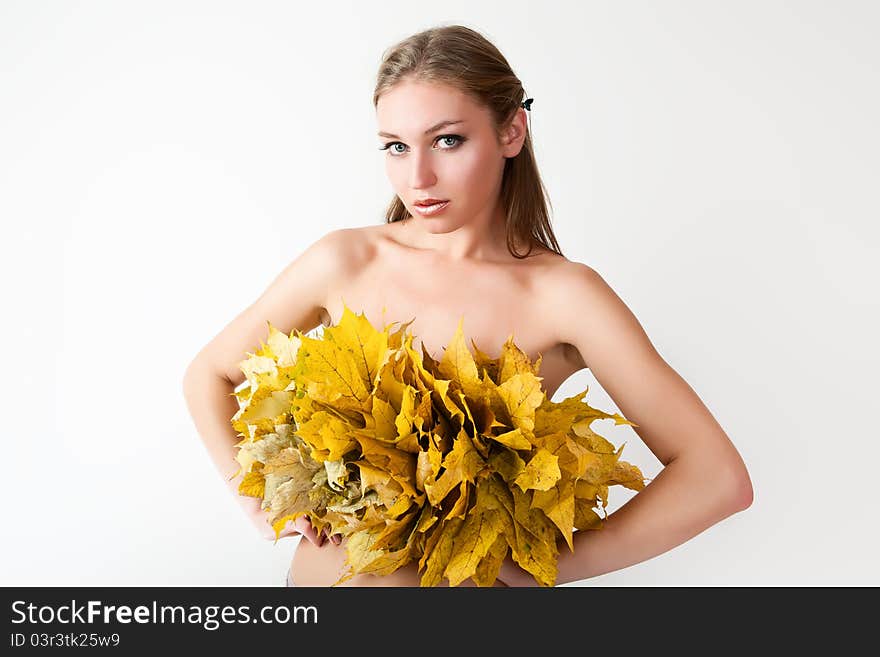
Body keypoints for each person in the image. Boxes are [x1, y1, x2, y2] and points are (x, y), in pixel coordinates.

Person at [182, 24, 753, 588]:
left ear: (512, 131)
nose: (419, 176)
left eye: (448, 140)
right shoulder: (345, 261)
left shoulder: (564, 296)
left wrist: (550, 567)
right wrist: (258, 503)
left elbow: (717, 477)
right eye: (397, 147)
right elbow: (209, 373)